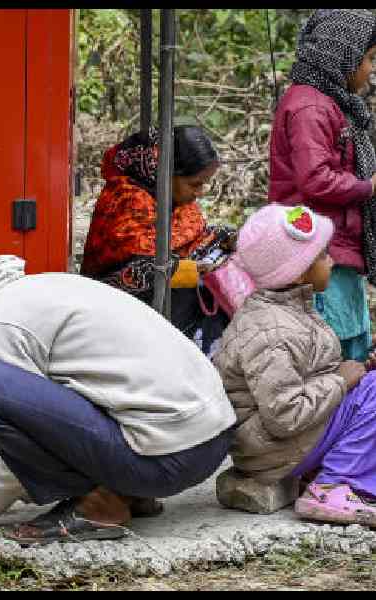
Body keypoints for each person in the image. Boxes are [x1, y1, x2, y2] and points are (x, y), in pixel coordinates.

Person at [0, 254, 236, 544]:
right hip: (208, 442)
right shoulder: (21, 294)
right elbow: (52, 418)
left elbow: (32, 430)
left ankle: (101, 505)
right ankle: (124, 491)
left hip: (168, 457)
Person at [214, 204, 376, 527]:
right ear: (299, 271)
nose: (332, 261)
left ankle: (332, 471)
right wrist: (341, 382)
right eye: (323, 255)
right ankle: (334, 485)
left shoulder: (290, 311)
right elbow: (285, 414)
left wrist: (354, 372)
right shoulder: (271, 331)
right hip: (273, 448)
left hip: (280, 442)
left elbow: (306, 376)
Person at [269, 9, 376, 362]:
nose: (371, 70)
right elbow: (315, 178)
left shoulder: (330, 103)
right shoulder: (309, 107)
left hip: (337, 245)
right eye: (369, 59)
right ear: (344, 56)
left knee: (352, 338)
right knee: (332, 345)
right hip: (316, 248)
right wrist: (368, 187)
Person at [81, 126, 235, 355]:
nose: (200, 192)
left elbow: (194, 236)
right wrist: (191, 271)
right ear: (166, 173)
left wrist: (225, 238)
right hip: (119, 318)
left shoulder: (172, 198)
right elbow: (131, 274)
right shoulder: (127, 202)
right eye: (195, 184)